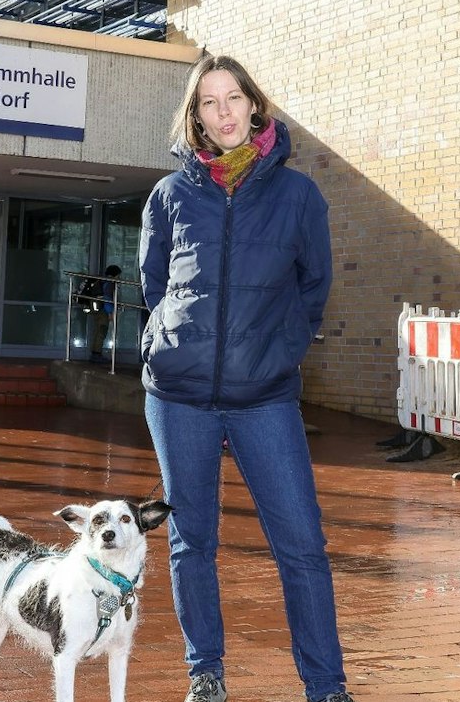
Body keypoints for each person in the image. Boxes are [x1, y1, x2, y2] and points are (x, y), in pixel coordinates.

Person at [137, 54, 352, 702]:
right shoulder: (171, 196)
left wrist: (278, 352)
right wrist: (167, 343)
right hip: (180, 398)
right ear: (196, 115)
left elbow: (314, 289)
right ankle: (205, 671)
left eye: (234, 98)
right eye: (209, 102)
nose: (224, 111)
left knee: (302, 545)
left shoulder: (296, 196)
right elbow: (154, 284)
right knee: (191, 541)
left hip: (264, 397)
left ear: (254, 106)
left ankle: (326, 686)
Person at [77, 264, 123, 363]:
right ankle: (96, 354)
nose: (119, 278)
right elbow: (107, 299)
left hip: (96, 309)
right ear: (115, 275)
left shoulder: (101, 280)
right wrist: (110, 312)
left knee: (98, 331)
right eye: (118, 275)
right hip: (102, 311)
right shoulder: (109, 283)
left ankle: (95, 353)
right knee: (102, 331)